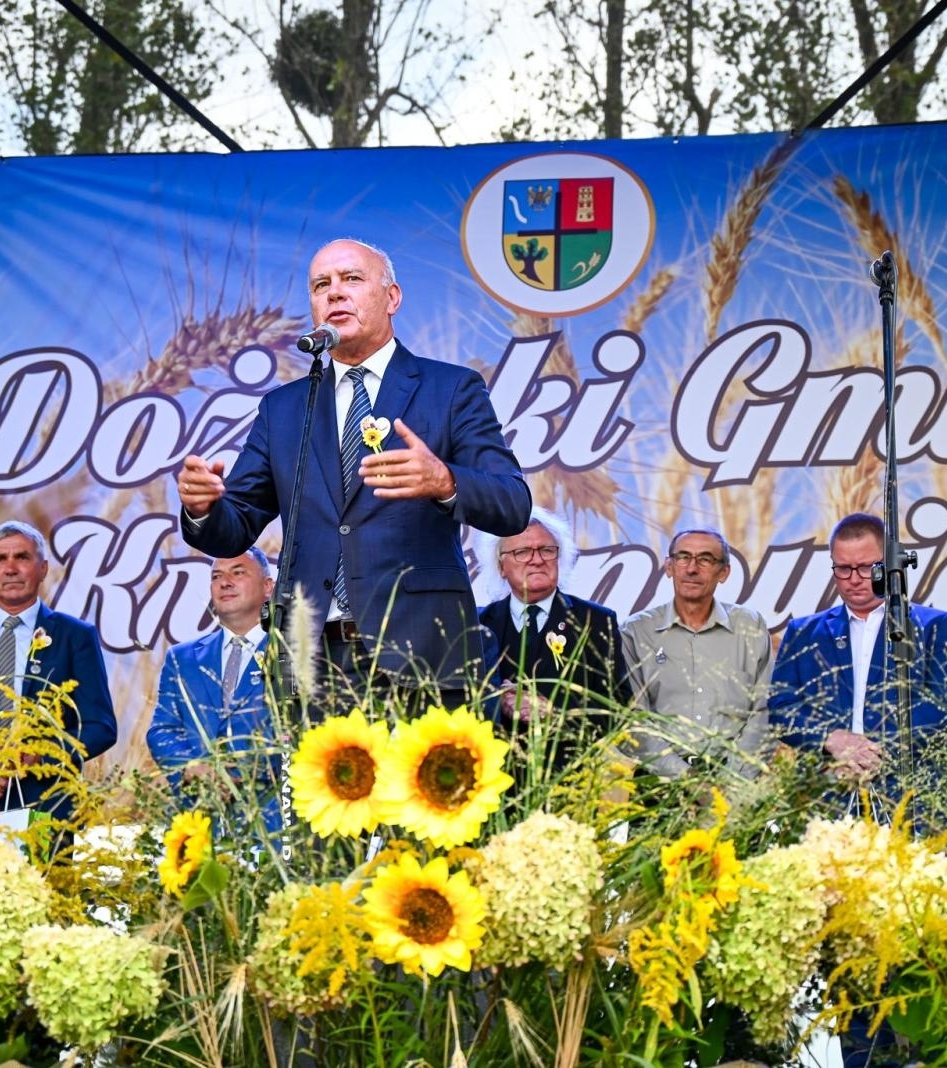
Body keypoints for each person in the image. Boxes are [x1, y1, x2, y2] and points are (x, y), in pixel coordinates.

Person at [176, 238, 530, 708]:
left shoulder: (450, 389)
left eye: (352, 279)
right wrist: (203, 509)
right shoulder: (284, 408)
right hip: (312, 662)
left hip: (421, 654)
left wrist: (444, 481)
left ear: (392, 297)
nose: (335, 293)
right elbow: (235, 526)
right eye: (321, 284)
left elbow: (513, 504)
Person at [0, 521, 117, 819]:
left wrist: (44, 752)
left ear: (43, 568)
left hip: (49, 809)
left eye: (22, 557)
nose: (11, 568)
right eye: (0, 559)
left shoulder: (76, 637)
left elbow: (101, 726)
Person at [767, 513, 947, 789]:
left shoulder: (934, 626)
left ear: (889, 565)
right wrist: (833, 740)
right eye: (843, 568)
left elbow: (944, 706)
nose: (854, 578)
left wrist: (870, 754)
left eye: (865, 567)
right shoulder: (803, 633)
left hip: (912, 795)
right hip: (827, 792)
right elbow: (780, 708)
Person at [477, 509, 630, 775]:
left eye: (547, 550)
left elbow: (618, 711)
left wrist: (555, 713)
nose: (537, 560)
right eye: (522, 552)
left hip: (571, 782)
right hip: (496, 783)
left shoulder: (596, 622)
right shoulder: (478, 626)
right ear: (501, 566)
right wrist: (497, 703)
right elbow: (461, 707)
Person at [620, 529, 771, 779]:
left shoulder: (750, 626)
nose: (692, 568)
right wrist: (687, 779)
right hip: (659, 782)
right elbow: (633, 722)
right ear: (669, 567)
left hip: (737, 785)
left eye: (705, 559)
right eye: (683, 557)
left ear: (724, 572)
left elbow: (763, 712)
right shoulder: (636, 631)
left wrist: (731, 781)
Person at [147, 548, 283, 824]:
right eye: (217, 576)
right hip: (198, 823)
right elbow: (161, 730)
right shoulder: (182, 658)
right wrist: (192, 768)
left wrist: (236, 774)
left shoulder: (292, 654)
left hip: (271, 825)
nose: (225, 582)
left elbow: (301, 734)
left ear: (268, 587)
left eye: (238, 572)